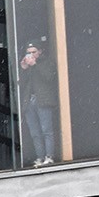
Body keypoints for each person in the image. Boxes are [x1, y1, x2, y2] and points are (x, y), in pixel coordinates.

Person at [18, 39, 60, 167]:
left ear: (40, 51)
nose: (31, 55)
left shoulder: (47, 62)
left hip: (43, 101)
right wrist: (24, 69)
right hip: (29, 101)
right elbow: (21, 84)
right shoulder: (29, 66)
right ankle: (40, 157)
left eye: (34, 52)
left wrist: (35, 64)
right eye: (28, 52)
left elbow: (49, 77)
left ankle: (49, 156)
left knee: (46, 130)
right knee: (35, 133)